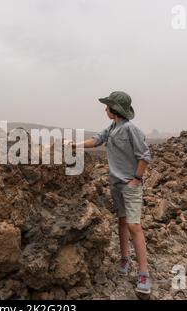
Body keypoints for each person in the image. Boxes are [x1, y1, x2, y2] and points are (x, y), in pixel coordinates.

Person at [65, 91, 152, 294]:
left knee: (134, 225)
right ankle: (124, 258)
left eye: (108, 107)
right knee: (122, 221)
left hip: (130, 185)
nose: (105, 109)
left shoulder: (131, 129)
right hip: (115, 184)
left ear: (115, 109)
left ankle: (144, 274)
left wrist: (136, 180)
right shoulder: (112, 127)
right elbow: (96, 140)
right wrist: (75, 145)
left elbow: (145, 156)